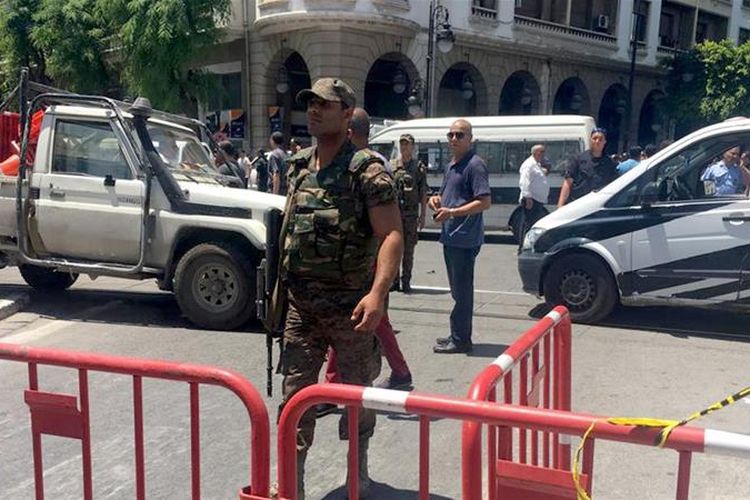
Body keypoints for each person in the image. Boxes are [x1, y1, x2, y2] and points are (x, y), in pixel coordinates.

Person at [277, 78, 403, 498]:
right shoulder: (297, 166)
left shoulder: (367, 169)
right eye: (310, 103)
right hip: (302, 309)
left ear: (347, 113)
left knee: (356, 398)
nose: (314, 110)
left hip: (351, 308)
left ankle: (358, 473)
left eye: (325, 104)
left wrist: (378, 293)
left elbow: (391, 236)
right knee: (295, 399)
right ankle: (291, 485)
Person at [321, 107, 413, 405]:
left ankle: (332, 387)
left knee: (351, 315)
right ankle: (399, 373)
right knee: (373, 318)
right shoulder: (360, 163)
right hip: (362, 256)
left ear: (349, 132)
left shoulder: (370, 166)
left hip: (368, 257)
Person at [428, 119, 491, 354]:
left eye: (460, 135)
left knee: (462, 291)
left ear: (470, 138)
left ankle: (461, 339)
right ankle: (457, 334)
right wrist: (436, 199)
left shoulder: (475, 165)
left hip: (464, 238)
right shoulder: (452, 164)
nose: (454, 139)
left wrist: (452, 212)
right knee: (457, 290)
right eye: (451, 135)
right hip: (451, 235)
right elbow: (449, 195)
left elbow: (484, 201)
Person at [391, 133, 428, 293]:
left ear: (413, 147)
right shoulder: (392, 166)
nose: (404, 147)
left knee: (408, 250)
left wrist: (423, 215)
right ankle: (394, 281)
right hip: (395, 215)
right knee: (393, 248)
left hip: (411, 215)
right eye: (402, 144)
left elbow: (423, 193)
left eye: (407, 144)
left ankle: (406, 281)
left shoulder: (418, 167)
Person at [557, 127, 616, 207]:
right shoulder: (578, 159)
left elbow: (613, 185)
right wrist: (560, 205)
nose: (597, 141)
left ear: (605, 142)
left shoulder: (610, 162)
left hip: (598, 205)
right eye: (594, 138)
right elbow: (568, 182)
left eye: (600, 139)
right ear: (590, 140)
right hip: (578, 203)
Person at [515, 144, 550, 251]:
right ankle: (523, 248)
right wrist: (528, 197)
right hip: (531, 200)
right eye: (541, 152)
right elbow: (524, 182)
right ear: (535, 152)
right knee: (528, 225)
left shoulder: (537, 164)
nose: (543, 154)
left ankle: (531, 246)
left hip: (537, 200)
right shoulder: (529, 164)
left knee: (533, 224)